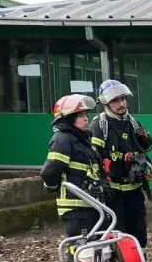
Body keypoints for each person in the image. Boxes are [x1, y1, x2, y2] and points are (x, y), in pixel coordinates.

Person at [90, 80, 152, 262]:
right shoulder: (99, 125)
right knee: (117, 230)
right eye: (116, 100)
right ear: (106, 103)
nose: (121, 104)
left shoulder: (133, 122)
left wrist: (145, 140)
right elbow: (94, 156)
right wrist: (100, 182)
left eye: (123, 99)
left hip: (135, 187)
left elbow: (146, 148)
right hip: (113, 190)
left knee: (139, 227)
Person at [40, 94, 105, 238]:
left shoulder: (82, 139)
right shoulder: (63, 139)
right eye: (80, 115)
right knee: (78, 250)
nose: (86, 118)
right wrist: (51, 187)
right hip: (76, 208)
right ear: (68, 118)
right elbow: (49, 172)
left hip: (90, 205)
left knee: (95, 251)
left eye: (85, 114)